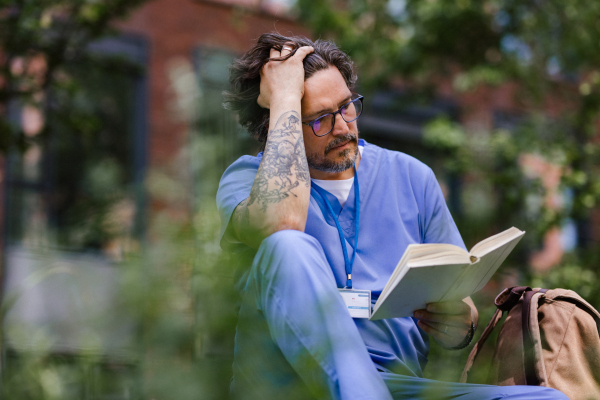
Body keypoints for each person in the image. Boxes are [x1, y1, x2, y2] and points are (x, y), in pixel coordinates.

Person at [216, 33, 568, 400]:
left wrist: (459, 324)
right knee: (287, 245)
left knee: (547, 399)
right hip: (289, 387)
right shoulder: (246, 181)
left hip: (400, 387)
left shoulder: (411, 176)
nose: (341, 127)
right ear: (280, 123)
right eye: (319, 119)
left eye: (347, 107)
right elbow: (280, 221)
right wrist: (285, 97)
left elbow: (458, 299)